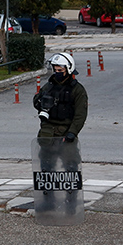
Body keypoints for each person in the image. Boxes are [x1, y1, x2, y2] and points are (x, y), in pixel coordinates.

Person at [33, 52, 88, 212]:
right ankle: (48, 201)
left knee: (71, 169)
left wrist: (72, 133)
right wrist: (40, 100)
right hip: (47, 133)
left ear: (68, 69)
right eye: (55, 69)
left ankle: (71, 203)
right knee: (46, 170)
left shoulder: (77, 90)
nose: (57, 73)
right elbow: (36, 102)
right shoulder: (48, 86)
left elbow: (80, 114)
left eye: (60, 70)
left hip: (66, 133)